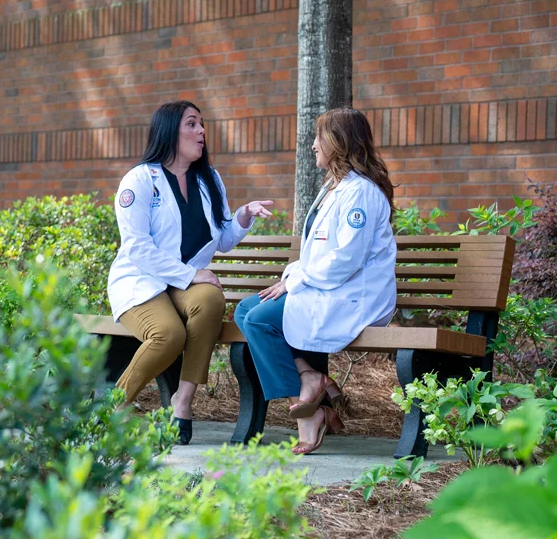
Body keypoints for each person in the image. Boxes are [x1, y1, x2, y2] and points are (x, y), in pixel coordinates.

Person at [108, 101, 275, 444]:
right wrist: (189, 275)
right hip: (142, 281)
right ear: (170, 131)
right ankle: (115, 406)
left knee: (211, 300)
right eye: (192, 124)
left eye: (202, 124)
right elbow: (137, 247)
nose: (201, 132)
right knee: (169, 335)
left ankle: (181, 402)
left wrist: (244, 215)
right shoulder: (139, 181)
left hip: (182, 284)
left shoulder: (208, 179)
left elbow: (224, 237)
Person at [233, 108, 397, 455]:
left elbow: (346, 259)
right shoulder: (336, 188)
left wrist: (295, 281)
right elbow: (320, 255)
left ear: (338, 142)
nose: (312, 146)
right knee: (246, 309)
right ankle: (309, 377)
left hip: (355, 296)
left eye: (318, 137)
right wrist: (295, 277)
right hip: (331, 288)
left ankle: (307, 416)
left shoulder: (361, 194)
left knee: (260, 320)